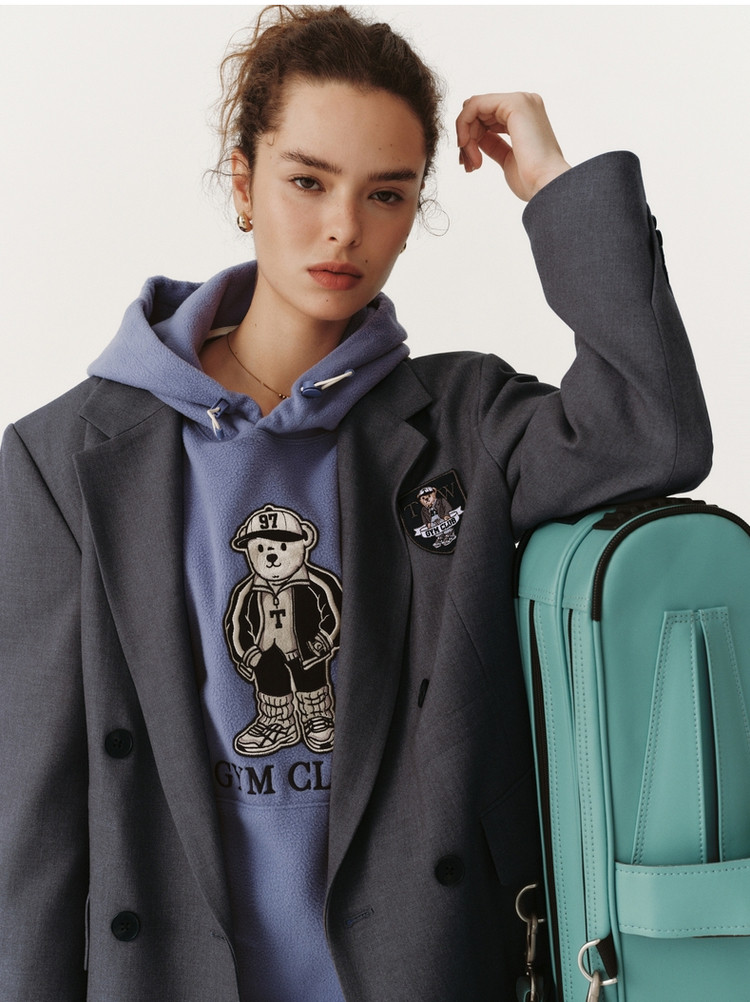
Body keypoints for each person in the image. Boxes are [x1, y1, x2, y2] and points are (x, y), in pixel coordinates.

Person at [0, 5, 711, 1001]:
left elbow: (655, 429)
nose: (344, 227)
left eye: (386, 193)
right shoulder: (64, 458)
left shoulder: (462, 423)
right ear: (242, 182)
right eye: (307, 180)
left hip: (420, 971)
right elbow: (29, 823)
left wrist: (557, 188)